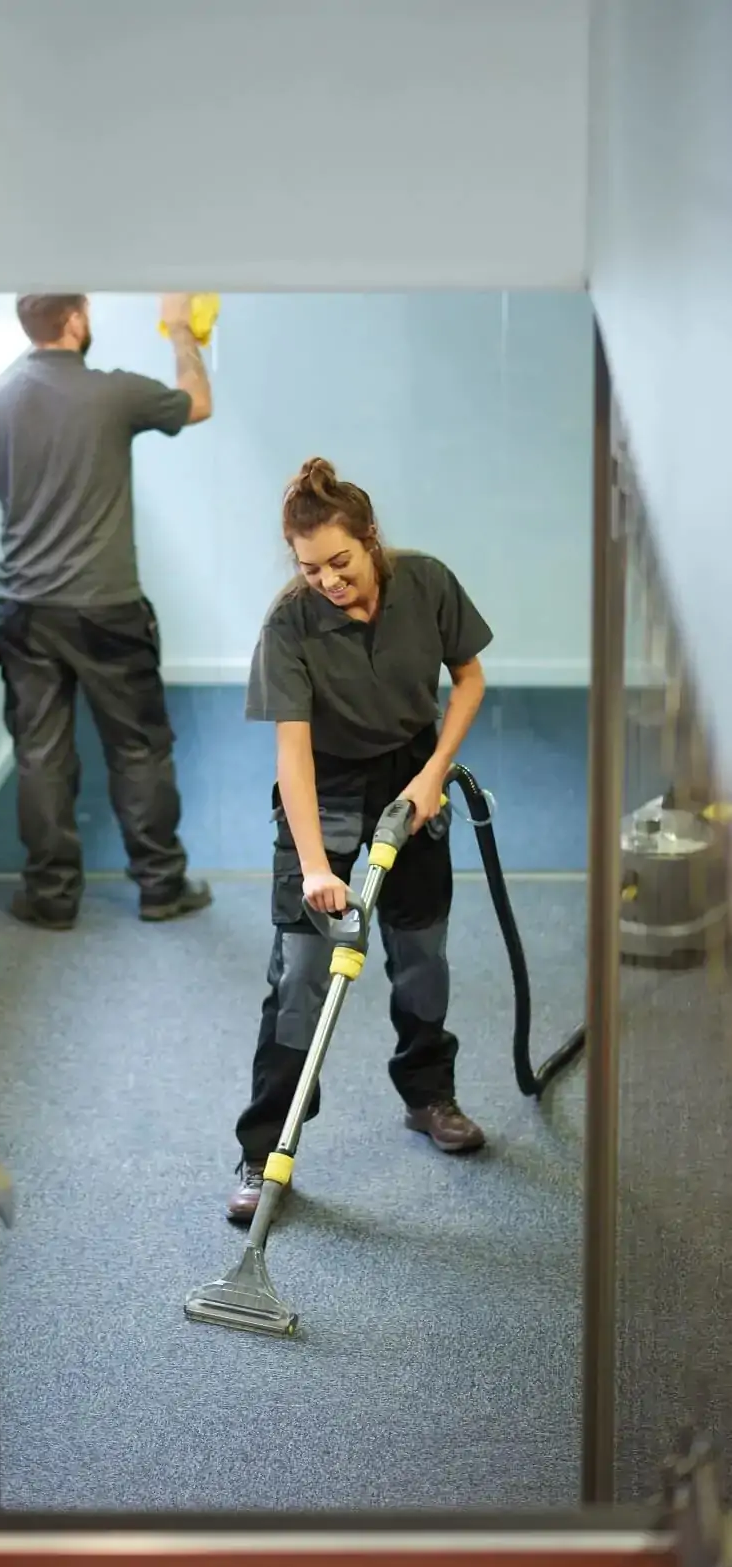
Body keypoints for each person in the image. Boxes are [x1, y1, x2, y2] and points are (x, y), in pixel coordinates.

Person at [226, 457, 493, 1225]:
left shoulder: (427, 582)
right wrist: (314, 865)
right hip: (328, 790)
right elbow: (293, 753)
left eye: (339, 562)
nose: (328, 580)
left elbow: (468, 678)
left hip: (412, 774)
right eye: (310, 568)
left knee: (420, 957)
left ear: (370, 541)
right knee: (303, 973)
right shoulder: (289, 624)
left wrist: (434, 773)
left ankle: (427, 1096)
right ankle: (264, 1146)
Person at [0, 292, 214, 930]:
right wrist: (180, 332)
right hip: (106, 607)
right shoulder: (113, 392)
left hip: (24, 607)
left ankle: (52, 898)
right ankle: (161, 886)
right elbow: (198, 401)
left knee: (39, 753)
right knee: (138, 748)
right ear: (77, 319)